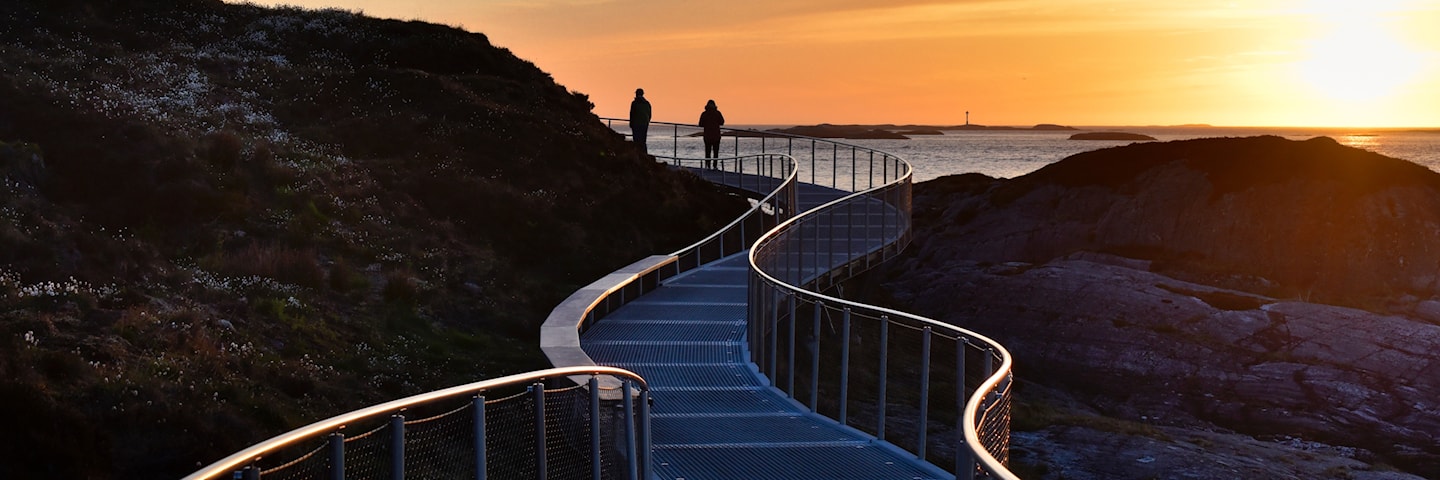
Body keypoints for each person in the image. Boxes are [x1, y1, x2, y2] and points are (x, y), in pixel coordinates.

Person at [698, 99, 725, 167]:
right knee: (716, 152)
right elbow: (722, 122)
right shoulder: (717, 113)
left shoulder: (704, 114)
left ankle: (708, 165)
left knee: (707, 152)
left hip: (707, 136)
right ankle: (715, 166)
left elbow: (700, 124)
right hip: (716, 136)